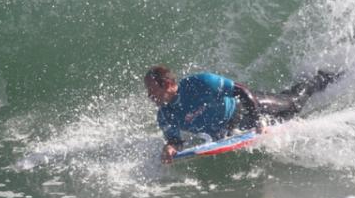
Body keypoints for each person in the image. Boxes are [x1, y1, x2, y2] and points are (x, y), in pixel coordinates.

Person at [144, 65, 342, 163]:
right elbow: (175, 141)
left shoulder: (199, 83)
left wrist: (258, 121)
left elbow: (241, 90)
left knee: (292, 104)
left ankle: (320, 78)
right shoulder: (165, 115)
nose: (149, 96)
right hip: (227, 130)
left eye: (152, 90)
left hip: (245, 109)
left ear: (168, 84)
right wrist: (170, 148)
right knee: (287, 111)